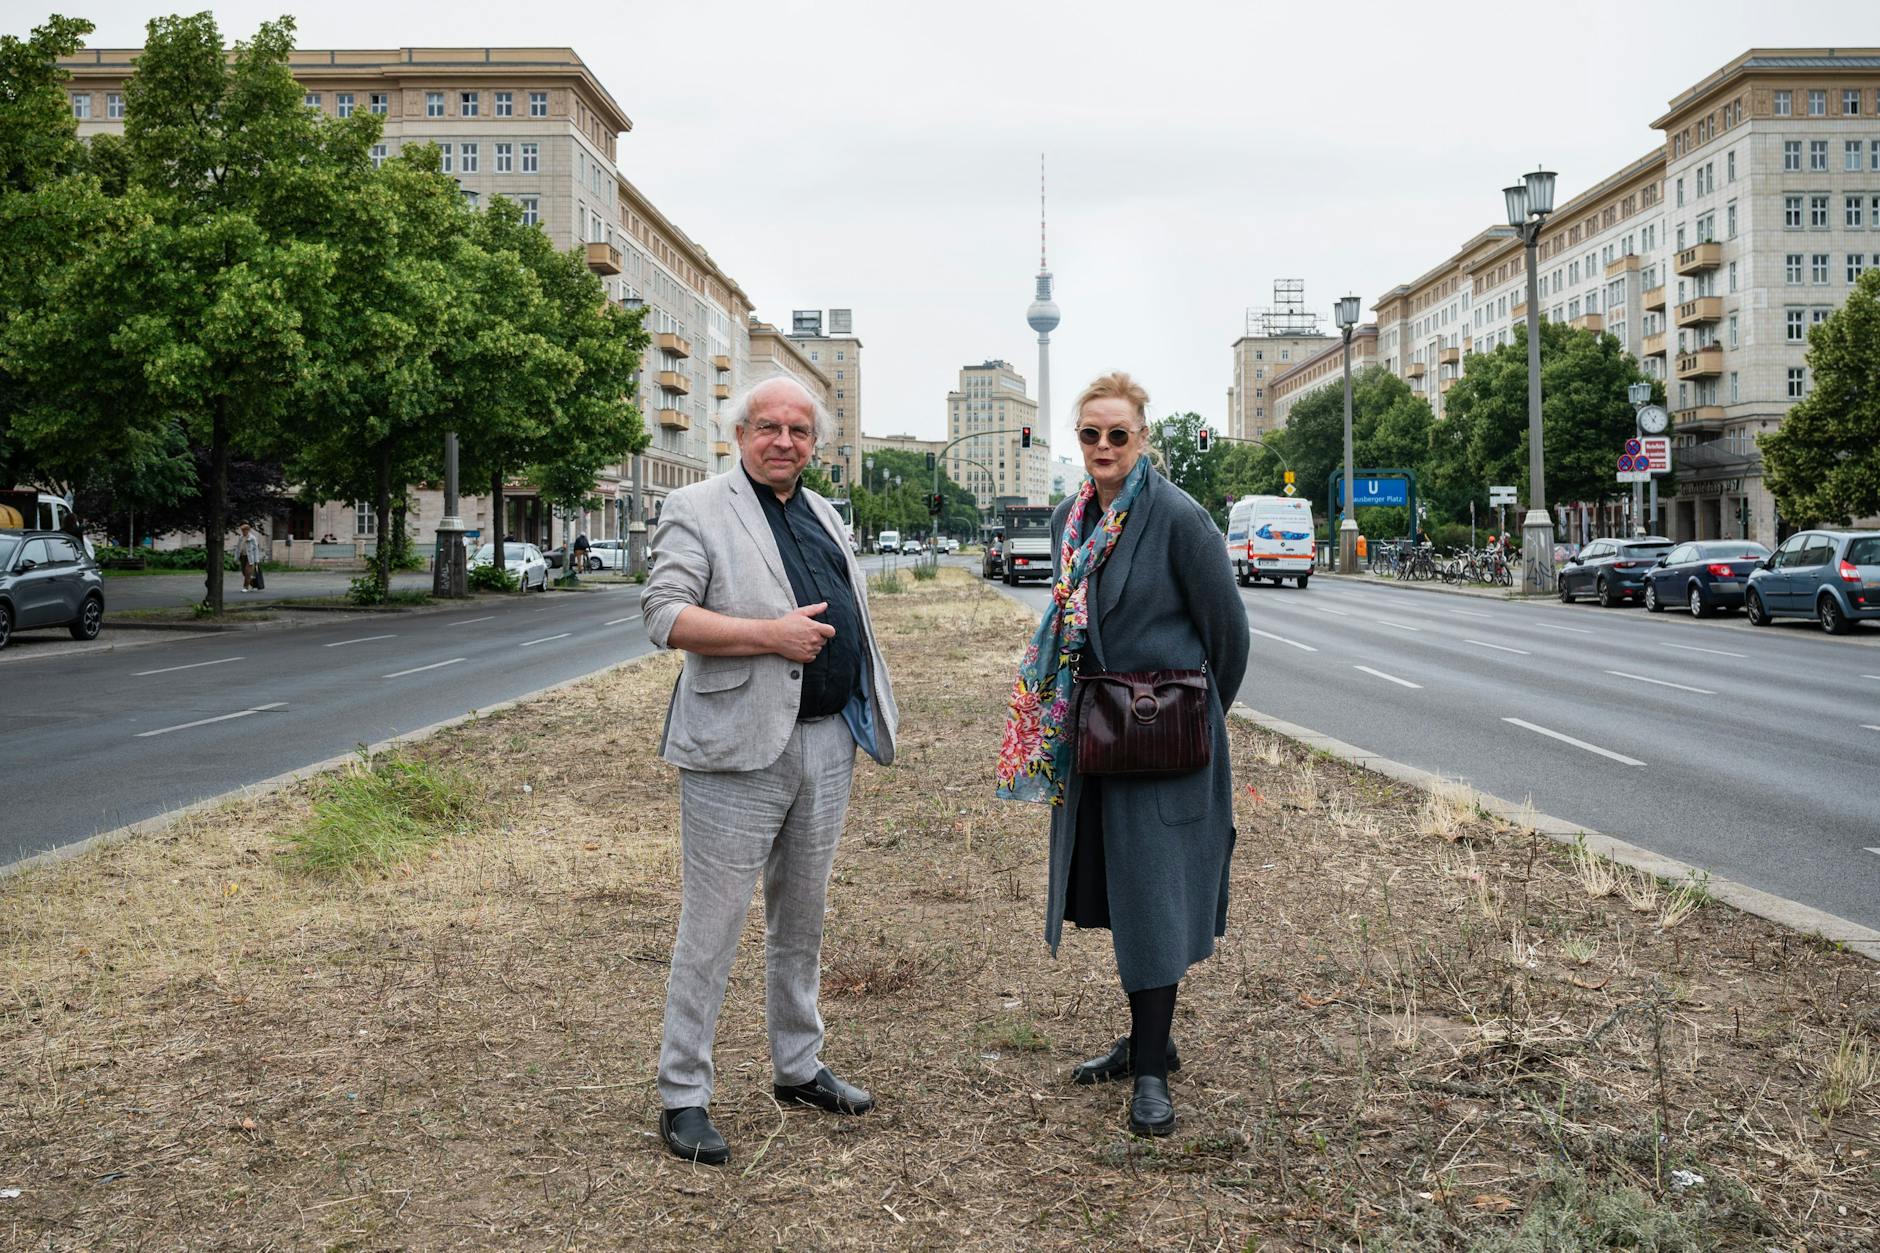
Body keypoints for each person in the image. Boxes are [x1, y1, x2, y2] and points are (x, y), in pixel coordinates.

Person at [641, 375, 900, 1166]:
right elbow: (664, 615)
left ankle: (798, 1064)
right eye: (768, 427)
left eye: (799, 430)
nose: (783, 440)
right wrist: (770, 635)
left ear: (814, 443)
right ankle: (683, 1092)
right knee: (712, 927)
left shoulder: (822, 510)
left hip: (827, 743)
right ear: (739, 432)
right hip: (736, 749)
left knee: (803, 919)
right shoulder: (697, 508)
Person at [996, 372, 1249, 1138]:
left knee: (1156, 899)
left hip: (1162, 741)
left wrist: (1187, 720)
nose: (1103, 446)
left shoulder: (1178, 518)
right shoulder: (1079, 518)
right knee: (1119, 891)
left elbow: (1229, 639)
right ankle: (1152, 1040)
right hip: (1101, 736)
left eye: (1118, 434)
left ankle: (1149, 1075)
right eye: (1090, 434)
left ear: (1143, 438)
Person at [235, 523, 262, 591]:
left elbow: (256, 549)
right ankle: (254, 585)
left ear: (248, 530)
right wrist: (236, 557)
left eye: (244, 530)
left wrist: (256, 560)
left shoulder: (252, 538)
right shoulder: (241, 537)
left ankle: (245, 587)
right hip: (242, 556)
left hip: (250, 558)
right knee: (244, 572)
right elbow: (238, 547)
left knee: (248, 572)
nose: (243, 532)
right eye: (242, 530)